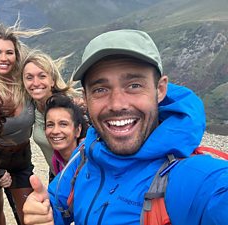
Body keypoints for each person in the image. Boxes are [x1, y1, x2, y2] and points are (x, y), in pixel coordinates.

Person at [22, 29, 228, 225]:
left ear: (160, 90)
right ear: (85, 98)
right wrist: (43, 214)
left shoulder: (196, 179)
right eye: (100, 89)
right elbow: (56, 205)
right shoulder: (87, 153)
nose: (117, 104)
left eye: (134, 85)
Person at [0, 20, 49, 225]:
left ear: (16, 56)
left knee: (27, 212)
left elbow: (48, 97)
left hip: (21, 158)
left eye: (9, 52)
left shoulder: (26, 86)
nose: (3, 58)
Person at [21, 50, 81, 180]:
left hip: (78, 176)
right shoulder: (31, 106)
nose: (35, 83)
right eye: (29, 77)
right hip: (56, 173)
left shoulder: (68, 108)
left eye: (42, 76)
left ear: (52, 81)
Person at [43, 94, 88, 175]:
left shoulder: (89, 158)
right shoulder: (57, 159)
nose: (55, 131)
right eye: (50, 125)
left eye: (63, 124)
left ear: (78, 130)